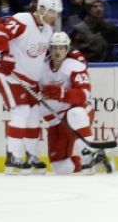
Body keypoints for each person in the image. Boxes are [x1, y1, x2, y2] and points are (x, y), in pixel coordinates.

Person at [0, 0, 63, 174]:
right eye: (52, 12)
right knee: (20, 111)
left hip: (29, 81)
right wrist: (5, 54)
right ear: (42, 8)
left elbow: (38, 57)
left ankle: (31, 154)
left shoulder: (47, 30)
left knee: (34, 114)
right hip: (7, 75)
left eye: (57, 13)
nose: (55, 17)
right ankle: (13, 156)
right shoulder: (22, 19)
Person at [39, 32, 111, 174]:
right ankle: (95, 156)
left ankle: (88, 154)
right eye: (54, 48)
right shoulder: (41, 68)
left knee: (75, 112)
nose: (57, 51)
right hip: (55, 122)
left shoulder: (74, 66)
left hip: (78, 114)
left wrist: (62, 94)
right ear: (49, 49)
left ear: (67, 49)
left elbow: (84, 94)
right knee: (61, 168)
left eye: (61, 48)